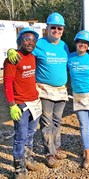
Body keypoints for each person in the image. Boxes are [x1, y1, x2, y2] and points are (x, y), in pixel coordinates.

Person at [8, 12, 69, 168]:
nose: (56, 30)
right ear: (47, 28)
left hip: (61, 91)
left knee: (57, 121)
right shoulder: (39, 44)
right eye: (53, 27)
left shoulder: (64, 45)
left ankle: (56, 148)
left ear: (63, 29)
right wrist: (12, 51)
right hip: (44, 90)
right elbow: (24, 52)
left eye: (59, 28)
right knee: (47, 123)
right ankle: (49, 154)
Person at [3, 27, 43, 178]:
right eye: (26, 38)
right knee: (20, 136)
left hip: (34, 102)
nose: (30, 42)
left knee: (31, 133)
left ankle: (28, 159)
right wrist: (12, 104)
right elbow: (7, 83)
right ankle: (19, 169)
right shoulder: (12, 60)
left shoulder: (32, 57)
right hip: (21, 104)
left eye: (33, 40)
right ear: (19, 41)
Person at [68, 30, 89, 168]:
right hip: (78, 96)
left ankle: (88, 143)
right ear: (76, 42)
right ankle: (88, 153)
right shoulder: (70, 58)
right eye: (80, 42)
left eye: (86, 43)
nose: (83, 45)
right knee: (83, 125)